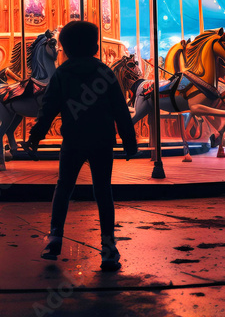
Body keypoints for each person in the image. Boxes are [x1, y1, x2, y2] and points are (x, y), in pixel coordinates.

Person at [23, 20, 138, 272]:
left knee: (64, 186)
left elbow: (49, 108)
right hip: (102, 139)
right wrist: (130, 141)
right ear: (95, 46)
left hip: (73, 138)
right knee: (103, 190)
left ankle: (55, 236)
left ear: (65, 48)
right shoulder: (105, 72)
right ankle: (108, 247)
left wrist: (36, 135)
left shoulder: (62, 73)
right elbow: (120, 109)